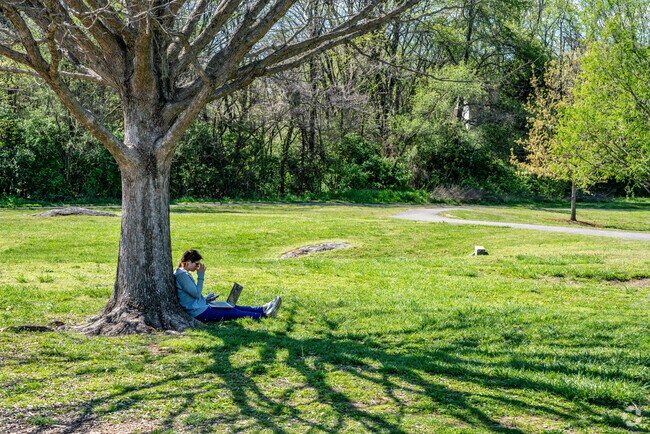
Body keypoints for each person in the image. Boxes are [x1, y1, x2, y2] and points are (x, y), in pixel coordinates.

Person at [175, 249, 282, 322]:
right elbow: (196, 294)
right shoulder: (182, 275)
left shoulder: (184, 274)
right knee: (231, 311)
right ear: (188, 262)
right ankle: (264, 315)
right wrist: (201, 276)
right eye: (196, 264)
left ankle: (263, 308)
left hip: (201, 307)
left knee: (231, 306)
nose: (198, 267)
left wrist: (206, 299)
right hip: (198, 312)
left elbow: (194, 296)